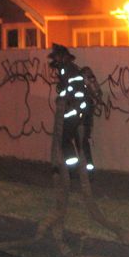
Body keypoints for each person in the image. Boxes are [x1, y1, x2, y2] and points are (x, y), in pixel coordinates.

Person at [48, 43, 102, 177]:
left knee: (65, 139)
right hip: (81, 110)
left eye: (56, 58)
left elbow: (73, 90)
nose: (55, 62)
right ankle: (88, 173)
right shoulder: (70, 69)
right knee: (81, 142)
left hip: (76, 111)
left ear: (61, 57)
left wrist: (63, 98)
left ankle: (72, 170)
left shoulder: (69, 70)